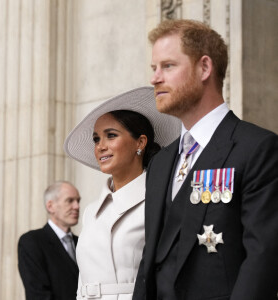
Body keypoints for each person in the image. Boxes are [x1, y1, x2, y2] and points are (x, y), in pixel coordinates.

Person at [133, 19, 278, 300]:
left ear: (204, 68)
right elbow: (150, 261)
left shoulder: (257, 149)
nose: (155, 78)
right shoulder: (160, 163)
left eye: (168, 66)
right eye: (154, 68)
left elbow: (263, 259)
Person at [64, 87, 181, 299]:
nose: (100, 146)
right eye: (96, 139)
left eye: (111, 135)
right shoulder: (91, 212)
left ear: (140, 142)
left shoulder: (161, 201)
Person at [18, 180, 80, 300]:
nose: (77, 206)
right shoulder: (32, 242)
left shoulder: (82, 243)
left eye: (78, 200)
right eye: (70, 200)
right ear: (50, 206)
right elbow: (37, 294)